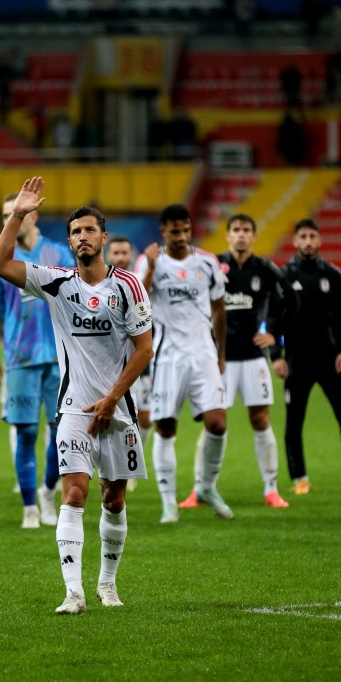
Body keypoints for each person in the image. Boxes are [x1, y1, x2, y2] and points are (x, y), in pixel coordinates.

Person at [0, 177, 153, 614]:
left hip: (118, 410)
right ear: (69, 242)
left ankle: (108, 584)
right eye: (75, 232)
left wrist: (113, 399)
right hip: (74, 409)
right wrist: (18, 214)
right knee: (75, 494)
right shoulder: (56, 282)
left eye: (89, 231)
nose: (83, 237)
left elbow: (144, 349)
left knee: (114, 498)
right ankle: (73, 593)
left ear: (103, 237)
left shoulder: (129, 286)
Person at [180, 214, 297, 511]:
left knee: (260, 420)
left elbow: (290, 304)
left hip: (254, 357)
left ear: (254, 236)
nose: (241, 235)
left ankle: (271, 489)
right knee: (212, 424)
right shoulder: (211, 266)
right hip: (217, 360)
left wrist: (274, 335)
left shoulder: (266, 269)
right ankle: (200, 488)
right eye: (236, 230)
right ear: (228, 235)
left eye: (247, 230)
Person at [0, 193, 75, 529]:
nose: (13, 220)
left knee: (58, 433)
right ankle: (28, 509)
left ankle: (47, 493)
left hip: (58, 358)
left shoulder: (59, 254)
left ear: (33, 217)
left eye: (18, 214)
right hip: (19, 359)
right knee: (25, 434)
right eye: (7, 215)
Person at [137, 203, 232, 524]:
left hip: (204, 354)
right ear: (163, 231)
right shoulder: (149, 261)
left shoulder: (207, 263)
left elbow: (219, 309)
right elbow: (139, 304)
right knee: (166, 427)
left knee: (218, 423)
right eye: (174, 231)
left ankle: (206, 487)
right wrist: (150, 268)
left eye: (186, 230)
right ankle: (168, 503)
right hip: (168, 357)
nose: (181, 236)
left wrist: (219, 354)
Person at [272, 218, 341, 496]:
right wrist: (276, 356)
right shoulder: (285, 276)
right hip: (296, 362)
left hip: (331, 361)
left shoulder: (333, 275)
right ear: (295, 241)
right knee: (294, 422)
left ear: (320, 240)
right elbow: (274, 318)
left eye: (312, 236)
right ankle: (299, 478)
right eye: (302, 236)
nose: (307, 241)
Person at [107, 236, 153, 455]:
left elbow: (146, 300)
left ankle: (133, 457)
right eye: (116, 253)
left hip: (138, 361)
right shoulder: (101, 284)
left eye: (125, 253)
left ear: (132, 255)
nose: (121, 258)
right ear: (108, 255)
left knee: (144, 417)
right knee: (111, 415)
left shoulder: (136, 283)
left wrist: (151, 269)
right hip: (110, 364)